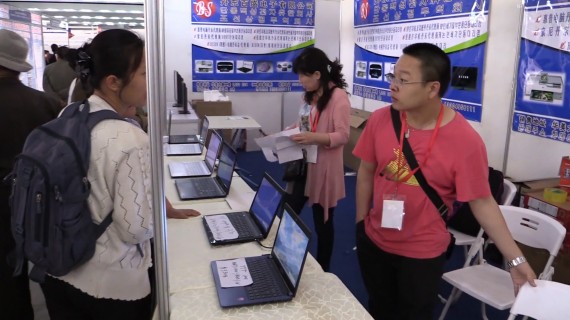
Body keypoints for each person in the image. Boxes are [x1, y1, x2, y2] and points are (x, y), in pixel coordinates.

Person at [353, 42, 536, 320]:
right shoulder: (381, 120)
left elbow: (483, 202)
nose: (393, 86)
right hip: (375, 241)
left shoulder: (464, 141)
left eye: (403, 80)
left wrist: (515, 259)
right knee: (379, 308)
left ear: (432, 88)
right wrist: (360, 223)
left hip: (422, 253)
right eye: (393, 77)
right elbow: (366, 171)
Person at [39, 29, 199, 320]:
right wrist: (155, 214)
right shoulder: (130, 138)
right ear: (113, 82)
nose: (151, 81)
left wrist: (160, 203)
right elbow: (135, 229)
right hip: (109, 288)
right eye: (143, 73)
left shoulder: (72, 113)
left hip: (61, 269)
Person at [0, 29, 63, 320]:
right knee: (47, 267)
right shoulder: (47, 104)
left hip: (2, 205)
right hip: (42, 202)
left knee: (7, 277)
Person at [286, 47, 350, 272]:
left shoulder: (338, 97)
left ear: (317, 75)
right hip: (303, 166)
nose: (300, 80)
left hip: (323, 170)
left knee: (323, 222)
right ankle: (284, 259)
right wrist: (286, 133)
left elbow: (343, 136)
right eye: (299, 75)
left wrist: (314, 137)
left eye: (304, 75)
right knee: (288, 211)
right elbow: (303, 123)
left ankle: (324, 269)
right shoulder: (309, 95)